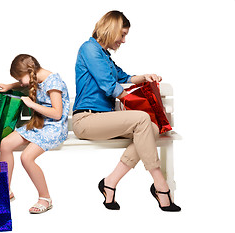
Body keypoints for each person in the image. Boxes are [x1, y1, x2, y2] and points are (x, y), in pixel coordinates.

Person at [72, 10, 181, 212]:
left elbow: (123, 77)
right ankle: (160, 184)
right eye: (122, 35)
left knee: (153, 128)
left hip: (106, 119)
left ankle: (110, 182)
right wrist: (135, 102)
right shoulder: (89, 48)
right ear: (111, 29)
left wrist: (144, 77)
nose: (123, 41)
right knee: (142, 119)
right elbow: (108, 85)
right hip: (86, 119)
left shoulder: (104, 55)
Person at [0, 54, 70, 214]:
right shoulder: (35, 77)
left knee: (26, 157)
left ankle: (45, 198)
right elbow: (25, 81)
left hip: (54, 128)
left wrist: (32, 104)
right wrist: (9, 86)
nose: (21, 83)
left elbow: (57, 114)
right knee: (5, 144)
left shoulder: (53, 82)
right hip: (40, 125)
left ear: (30, 72)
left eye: (21, 79)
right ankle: (4, 190)